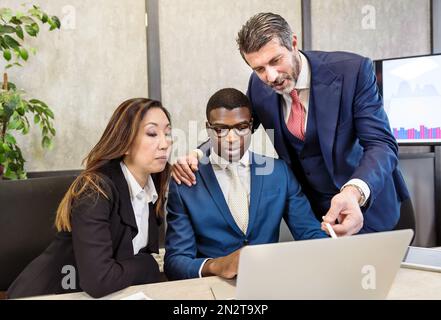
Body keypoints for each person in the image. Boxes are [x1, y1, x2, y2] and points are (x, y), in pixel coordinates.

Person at [171, 13, 410, 236]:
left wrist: (353, 192)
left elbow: (381, 144)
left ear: (293, 43)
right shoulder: (258, 86)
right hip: (318, 219)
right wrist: (196, 153)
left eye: (276, 61)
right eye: (259, 68)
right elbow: (237, 128)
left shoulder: (352, 71)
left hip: (372, 207)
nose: (271, 76)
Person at [7, 98, 173, 299]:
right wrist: (148, 264)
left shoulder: (152, 183)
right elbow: (99, 281)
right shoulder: (95, 189)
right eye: (152, 133)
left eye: (168, 133)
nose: (165, 144)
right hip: (50, 292)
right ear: (125, 142)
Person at [164, 88, 328, 281]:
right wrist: (217, 265)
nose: (231, 139)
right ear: (208, 129)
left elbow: (309, 233)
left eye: (241, 127)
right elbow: (175, 262)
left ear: (251, 126)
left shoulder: (279, 172)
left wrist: (339, 253)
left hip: (270, 285)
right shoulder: (186, 180)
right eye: (220, 129)